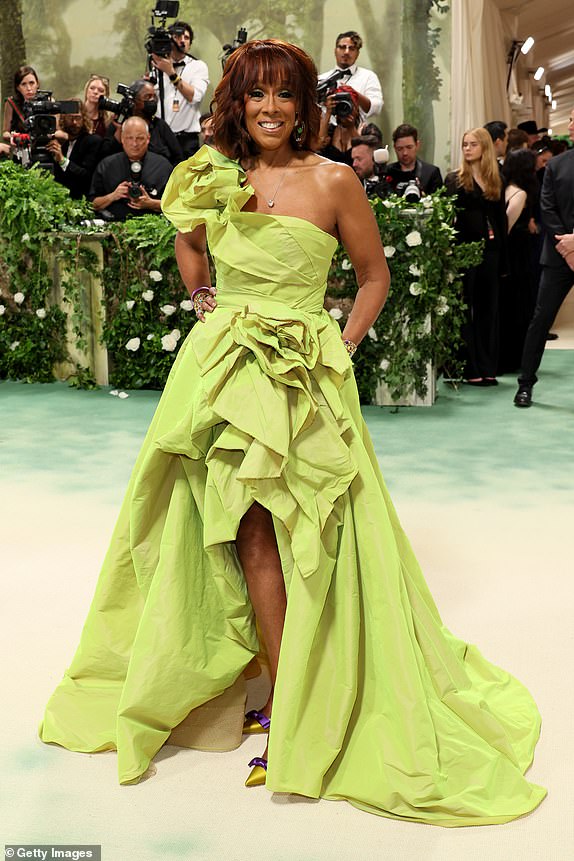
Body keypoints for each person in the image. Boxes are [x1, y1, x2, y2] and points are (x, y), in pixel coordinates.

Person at [40, 39, 545, 827]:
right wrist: (202, 293)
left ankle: (301, 694)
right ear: (236, 102)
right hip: (226, 370)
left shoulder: (336, 180)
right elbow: (187, 237)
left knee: (308, 532)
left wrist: (344, 345)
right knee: (237, 533)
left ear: (306, 104)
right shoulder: (213, 175)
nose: (271, 108)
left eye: (285, 95)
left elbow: (373, 274)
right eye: (256, 95)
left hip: (305, 377)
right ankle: (271, 688)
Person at [514, 107, 574, 407]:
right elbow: (546, 208)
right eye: (572, 118)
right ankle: (525, 384)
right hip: (558, 254)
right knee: (540, 320)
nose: (572, 124)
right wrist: (568, 245)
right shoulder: (556, 165)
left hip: (567, 247)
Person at [445, 128, 507, 385]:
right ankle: (469, 368)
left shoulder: (496, 180)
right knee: (464, 308)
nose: (467, 148)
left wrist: (504, 259)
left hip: (491, 252)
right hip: (463, 251)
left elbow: (500, 221)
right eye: (464, 144)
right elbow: (449, 218)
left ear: (484, 147)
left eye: (472, 144)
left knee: (488, 309)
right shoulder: (455, 179)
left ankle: (488, 366)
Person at [498, 148, 540, 373]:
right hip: (517, 257)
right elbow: (507, 226)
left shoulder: (506, 189)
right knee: (518, 305)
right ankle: (515, 358)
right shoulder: (519, 193)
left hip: (513, 255)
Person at [89, 116, 172, 220]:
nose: (134, 144)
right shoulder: (106, 165)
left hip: (152, 226)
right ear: (122, 138)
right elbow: (92, 204)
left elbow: (176, 205)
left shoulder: (163, 166)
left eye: (140, 138)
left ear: (148, 138)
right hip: (113, 224)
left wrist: (151, 203)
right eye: (129, 138)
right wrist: (113, 196)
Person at [151, 19, 209, 158]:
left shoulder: (198, 66)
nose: (182, 40)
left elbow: (195, 96)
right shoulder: (157, 66)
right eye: (177, 36)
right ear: (169, 40)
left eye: (186, 37)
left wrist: (171, 73)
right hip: (160, 139)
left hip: (186, 140)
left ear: (190, 43)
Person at [100, 79, 183, 166]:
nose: (152, 100)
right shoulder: (119, 125)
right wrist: (118, 136)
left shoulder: (160, 125)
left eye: (154, 96)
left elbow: (178, 157)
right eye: (148, 97)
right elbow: (105, 159)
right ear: (134, 100)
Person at [318, 31, 383, 122]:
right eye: (342, 47)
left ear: (357, 53)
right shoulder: (321, 79)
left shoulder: (368, 76)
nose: (346, 52)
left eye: (352, 48)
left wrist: (355, 94)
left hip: (357, 132)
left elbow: (376, 108)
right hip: (325, 133)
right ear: (335, 50)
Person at [46, 101, 102, 199]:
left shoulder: (93, 141)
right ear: (63, 119)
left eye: (78, 118)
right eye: (70, 118)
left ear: (84, 119)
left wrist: (62, 160)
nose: (74, 122)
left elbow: (86, 177)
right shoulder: (62, 143)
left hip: (82, 200)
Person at [386, 123, 443, 195]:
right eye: (400, 149)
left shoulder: (431, 173)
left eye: (409, 147)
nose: (405, 153)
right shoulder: (387, 172)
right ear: (394, 148)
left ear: (417, 145)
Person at [317, 85, 361, 165]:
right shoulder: (330, 131)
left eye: (348, 105)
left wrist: (351, 128)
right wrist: (328, 112)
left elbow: (363, 153)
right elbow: (318, 144)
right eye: (341, 106)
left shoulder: (364, 130)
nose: (345, 108)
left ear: (356, 108)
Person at [2, 65, 40, 140]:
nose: (29, 88)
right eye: (23, 84)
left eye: (32, 83)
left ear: (37, 84)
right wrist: (15, 137)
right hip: (21, 146)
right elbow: (5, 133)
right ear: (18, 88)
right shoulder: (11, 103)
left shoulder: (48, 102)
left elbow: (59, 132)